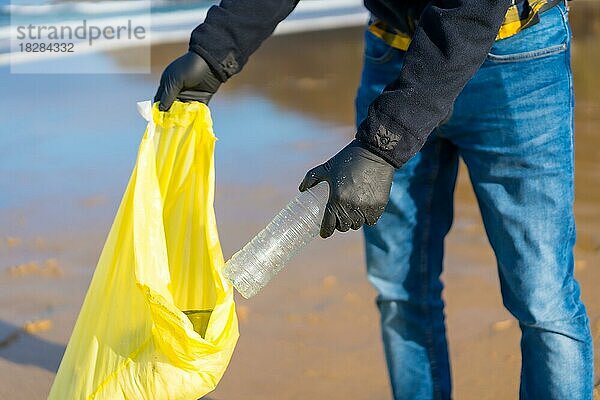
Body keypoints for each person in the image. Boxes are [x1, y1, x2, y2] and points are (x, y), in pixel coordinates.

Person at [154, 0, 593, 398]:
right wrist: (215, 51)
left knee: (543, 301)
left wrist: (382, 145)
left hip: (515, 53)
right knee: (400, 292)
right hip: (392, 52)